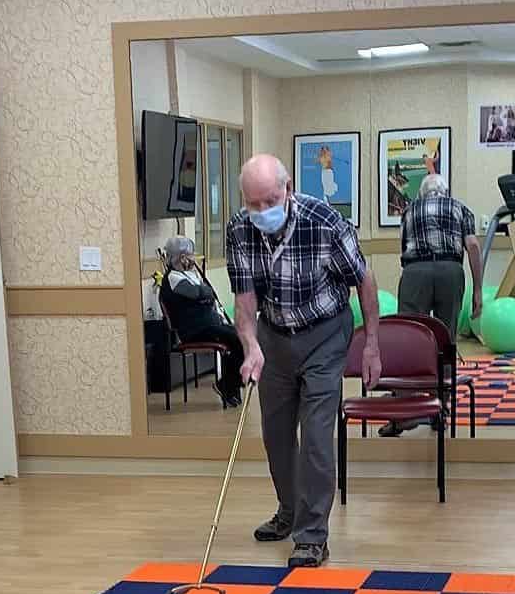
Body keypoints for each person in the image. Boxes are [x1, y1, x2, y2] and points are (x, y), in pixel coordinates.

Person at [227, 153, 381, 568]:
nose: (261, 211)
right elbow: (244, 300)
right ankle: (289, 510)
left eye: (270, 201)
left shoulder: (324, 222)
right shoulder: (239, 229)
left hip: (325, 332)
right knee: (276, 434)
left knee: (315, 435)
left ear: (289, 188)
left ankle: (312, 534)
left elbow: (364, 280)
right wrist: (250, 345)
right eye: (253, 203)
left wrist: (371, 345)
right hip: (274, 334)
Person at [157, 237, 243, 409]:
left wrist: (204, 293)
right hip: (194, 330)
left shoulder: (188, 275)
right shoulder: (174, 278)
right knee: (238, 340)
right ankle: (227, 385)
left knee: (243, 337)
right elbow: (200, 293)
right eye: (190, 255)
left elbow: (206, 292)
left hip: (207, 325)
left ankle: (229, 385)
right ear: (181, 257)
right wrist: (204, 293)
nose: (193, 259)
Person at [397, 173, 483, 341]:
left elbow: (403, 247)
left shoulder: (409, 210)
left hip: (415, 271)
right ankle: (446, 365)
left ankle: (416, 366)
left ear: (421, 193)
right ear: (446, 191)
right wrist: (478, 290)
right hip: (450, 270)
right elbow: (472, 245)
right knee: (446, 333)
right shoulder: (459, 208)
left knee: (412, 330)